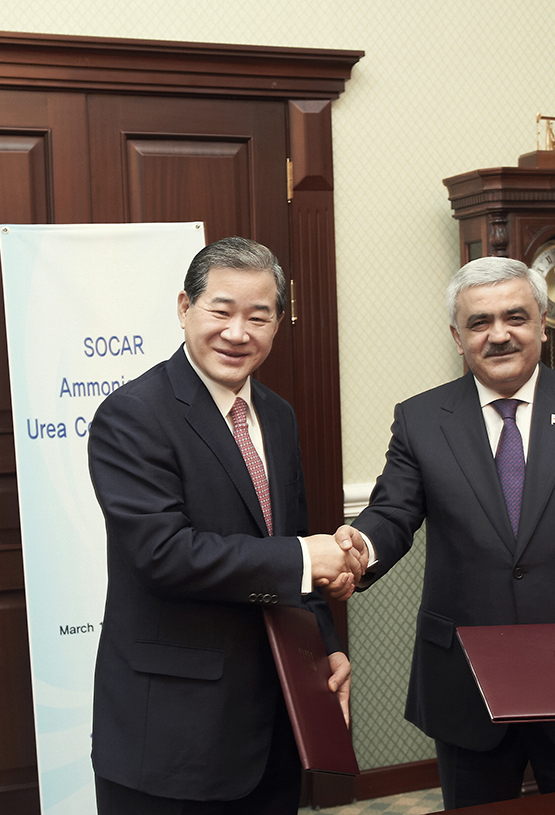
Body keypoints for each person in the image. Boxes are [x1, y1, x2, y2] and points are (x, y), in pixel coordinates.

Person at [338, 256, 555, 808]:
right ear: (457, 337)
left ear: (542, 323)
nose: (499, 335)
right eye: (479, 322)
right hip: (466, 681)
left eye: (515, 317)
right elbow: (392, 513)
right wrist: (358, 548)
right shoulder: (421, 419)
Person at [88, 236, 366, 815]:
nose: (238, 333)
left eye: (258, 317)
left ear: (278, 324)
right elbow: (163, 555)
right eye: (221, 311)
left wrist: (326, 651)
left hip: (276, 721)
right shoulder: (133, 415)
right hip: (172, 733)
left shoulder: (278, 415)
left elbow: (291, 544)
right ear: (185, 308)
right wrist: (302, 559)